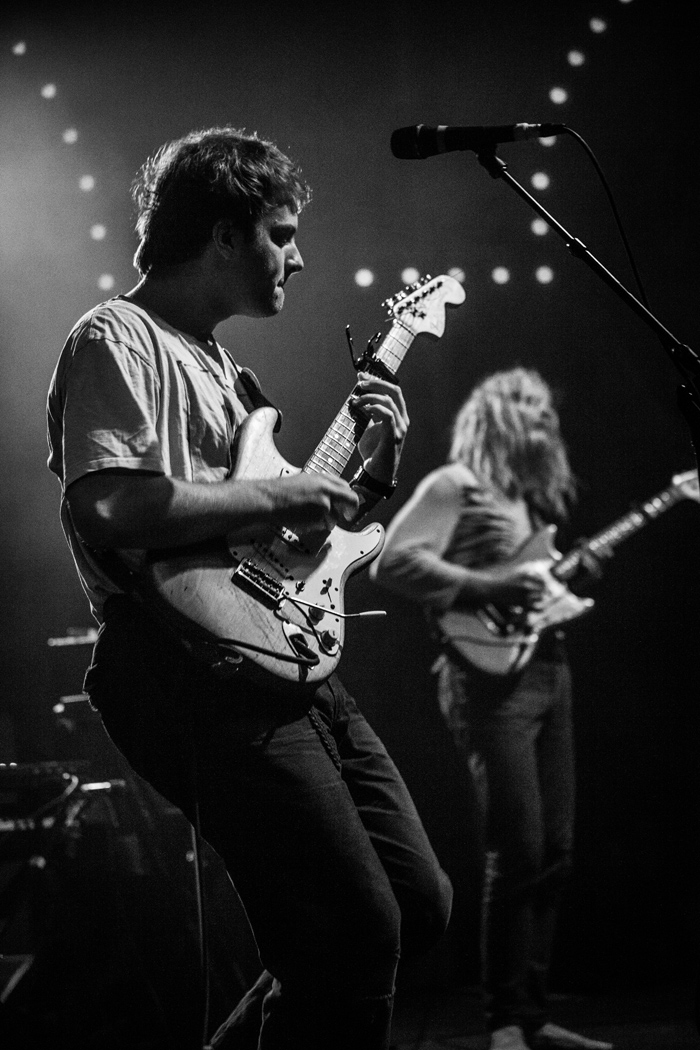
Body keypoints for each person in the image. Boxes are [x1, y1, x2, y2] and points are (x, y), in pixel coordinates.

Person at [46, 126, 452, 1050]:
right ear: (223, 234)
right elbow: (111, 508)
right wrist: (284, 489)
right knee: (356, 929)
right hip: (181, 658)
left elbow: (289, 534)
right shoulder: (117, 336)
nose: (298, 257)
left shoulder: (232, 372)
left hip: (277, 646)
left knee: (416, 905)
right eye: (281, 233)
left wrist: (371, 472)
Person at [370, 368, 613, 1050]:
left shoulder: (527, 504)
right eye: (528, 408)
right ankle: (503, 1020)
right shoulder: (455, 485)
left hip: (548, 670)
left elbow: (531, 589)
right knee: (520, 848)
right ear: (495, 416)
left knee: (557, 851)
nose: (543, 421)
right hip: (484, 683)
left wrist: (567, 580)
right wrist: (483, 589)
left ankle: (532, 1013)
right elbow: (393, 562)